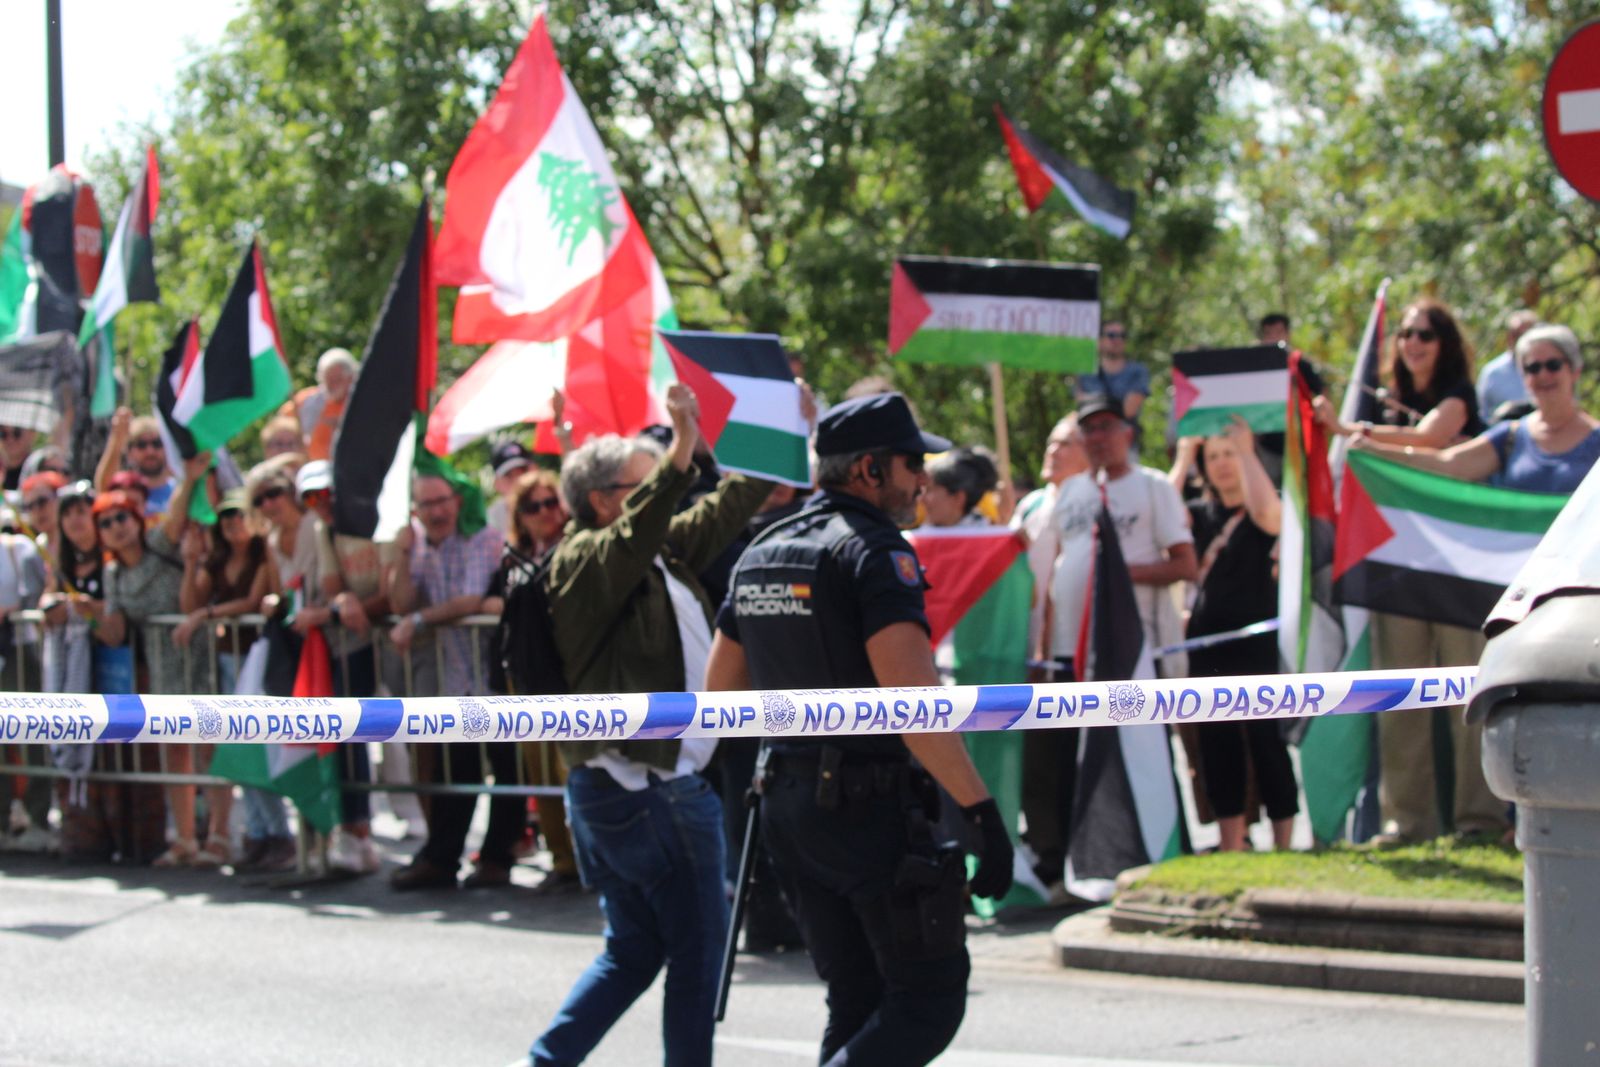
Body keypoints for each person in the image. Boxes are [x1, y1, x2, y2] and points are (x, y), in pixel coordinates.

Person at [705, 391, 1013, 1067]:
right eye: (911, 463)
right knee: (927, 1001)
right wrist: (979, 809)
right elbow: (913, 702)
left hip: (788, 807)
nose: (924, 479)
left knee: (856, 997)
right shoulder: (874, 552)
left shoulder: (763, 547)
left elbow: (717, 696)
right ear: (869, 471)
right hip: (867, 812)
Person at [527, 383, 773, 1067]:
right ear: (606, 499)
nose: (673, 491)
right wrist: (682, 443)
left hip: (634, 790)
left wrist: (782, 431)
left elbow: (727, 507)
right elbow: (643, 526)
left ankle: (544, 1062)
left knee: (634, 950)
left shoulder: (652, 552)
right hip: (647, 790)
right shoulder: (583, 561)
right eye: (648, 484)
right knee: (698, 956)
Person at [385, 474, 506, 890]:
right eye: (426, 505)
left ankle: (497, 858)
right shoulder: (418, 545)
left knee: (506, 769)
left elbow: (471, 599)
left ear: (456, 501)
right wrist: (400, 556)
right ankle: (442, 857)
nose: (436, 512)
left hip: (496, 674)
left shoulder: (482, 537)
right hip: (455, 679)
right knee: (457, 771)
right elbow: (399, 602)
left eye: (441, 501)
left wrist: (417, 620)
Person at [1182, 418, 1296, 851]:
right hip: (1206, 647)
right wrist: (1181, 458)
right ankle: (1233, 842)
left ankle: (1284, 841)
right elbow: (1162, 517)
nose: (1222, 465)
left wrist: (1247, 450)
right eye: (1213, 457)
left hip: (1257, 647)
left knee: (1267, 740)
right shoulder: (1197, 515)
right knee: (1217, 745)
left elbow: (1271, 516)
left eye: (1228, 455)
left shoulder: (1260, 509)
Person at [96, 454, 207, 863]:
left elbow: (177, 512)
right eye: (105, 523)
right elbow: (116, 632)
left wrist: (191, 478)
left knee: (210, 746)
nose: (114, 528)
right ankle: (185, 839)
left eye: (120, 518)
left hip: (196, 653)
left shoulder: (160, 544)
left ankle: (220, 836)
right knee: (174, 751)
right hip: (160, 666)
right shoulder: (113, 575)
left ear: (137, 519)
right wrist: (89, 612)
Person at [481, 469, 579, 893]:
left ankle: (586, 859)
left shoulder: (576, 548)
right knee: (541, 777)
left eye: (550, 502)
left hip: (567, 678)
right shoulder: (511, 558)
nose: (544, 513)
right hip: (524, 680)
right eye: (532, 506)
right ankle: (562, 861)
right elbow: (491, 602)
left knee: (573, 774)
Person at [1314, 298, 1483, 448]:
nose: (1413, 342)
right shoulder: (1391, 395)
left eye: (1425, 335)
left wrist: (1342, 428)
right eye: (1406, 333)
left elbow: (1426, 438)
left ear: (1445, 344)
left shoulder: (1460, 393)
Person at [95, 408, 179, 517]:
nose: (150, 451)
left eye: (157, 443)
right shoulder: (126, 491)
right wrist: (117, 440)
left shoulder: (180, 490)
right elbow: (104, 489)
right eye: (141, 445)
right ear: (129, 452)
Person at [282, 347, 357, 461]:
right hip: (311, 467)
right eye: (327, 379)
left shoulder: (360, 404)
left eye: (337, 379)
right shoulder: (308, 401)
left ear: (351, 378)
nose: (331, 385)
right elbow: (280, 424)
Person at [1074, 320, 1149, 424]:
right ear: (1100, 340)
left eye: (1122, 335)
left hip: (1124, 436)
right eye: (1111, 335)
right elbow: (1080, 403)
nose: (1117, 340)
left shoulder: (1137, 371)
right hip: (1090, 434)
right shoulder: (1086, 371)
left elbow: (1129, 410)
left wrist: (1093, 401)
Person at [1476, 309, 1540, 422]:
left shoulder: (1550, 370)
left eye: (1525, 335)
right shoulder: (1492, 373)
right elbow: (1481, 414)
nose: (1521, 341)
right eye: (1515, 335)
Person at [921, 446, 999, 527]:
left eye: (929, 490)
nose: (921, 498)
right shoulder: (914, 537)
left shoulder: (989, 538)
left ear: (958, 497)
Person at [486, 439, 535, 537]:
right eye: (509, 475)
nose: (518, 480)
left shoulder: (552, 503)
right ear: (497, 484)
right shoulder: (491, 519)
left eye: (523, 472)